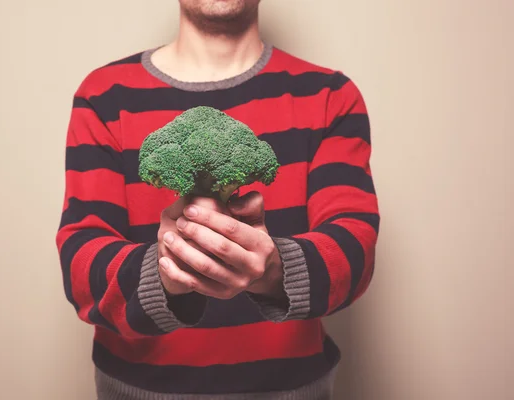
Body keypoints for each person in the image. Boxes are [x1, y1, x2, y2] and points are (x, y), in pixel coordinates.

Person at [55, 0, 380, 398]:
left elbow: (355, 246)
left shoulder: (331, 96)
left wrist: (273, 269)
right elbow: (79, 264)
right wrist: (168, 271)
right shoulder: (103, 96)